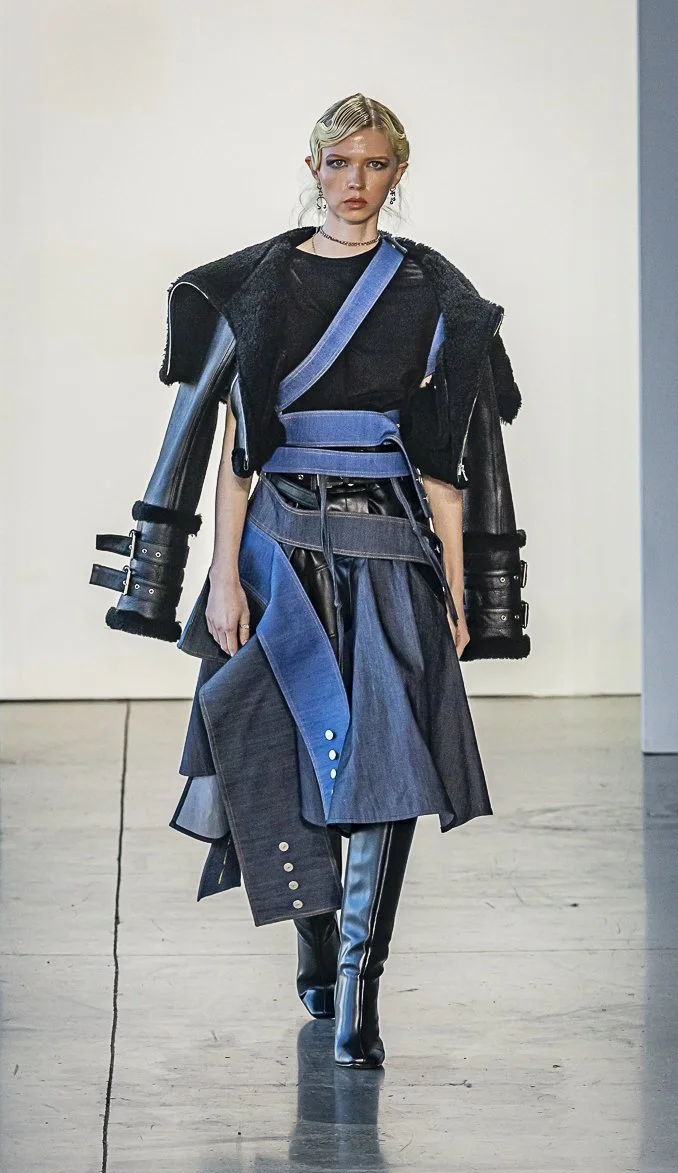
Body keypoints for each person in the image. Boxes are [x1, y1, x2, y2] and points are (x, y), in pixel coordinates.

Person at [90, 93, 529, 1068]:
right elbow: (238, 451)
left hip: (390, 551)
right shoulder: (265, 285)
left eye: (373, 164)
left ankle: (359, 991)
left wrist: (460, 591)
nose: (354, 181)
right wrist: (221, 580)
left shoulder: (429, 293)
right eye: (338, 163)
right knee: (291, 758)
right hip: (277, 552)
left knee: (387, 766)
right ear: (312, 168)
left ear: (397, 173)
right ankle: (318, 941)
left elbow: (442, 467)